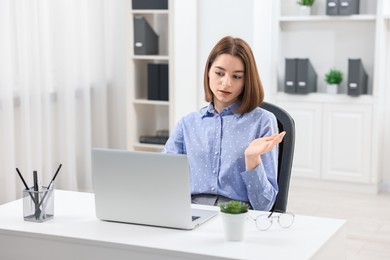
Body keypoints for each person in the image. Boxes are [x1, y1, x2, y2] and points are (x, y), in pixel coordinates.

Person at [162, 36, 285, 211]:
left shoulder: (263, 121)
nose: (226, 83)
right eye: (219, 73)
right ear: (208, 72)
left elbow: (264, 205)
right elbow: (162, 178)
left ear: (246, 81)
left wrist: (252, 159)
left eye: (237, 76)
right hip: (190, 212)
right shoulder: (187, 123)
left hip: (237, 215)